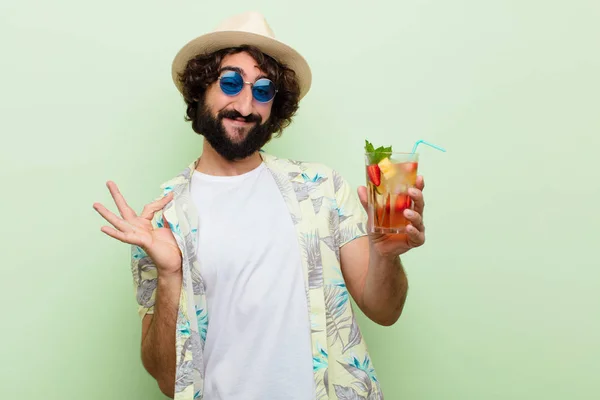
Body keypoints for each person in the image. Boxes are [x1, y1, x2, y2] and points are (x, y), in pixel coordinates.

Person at [93, 11, 427, 400]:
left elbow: (385, 311)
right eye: (231, 82)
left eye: (264, 90)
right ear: (201, 89)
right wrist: (170, 276)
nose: (247, 105)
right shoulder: (161, 221)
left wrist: (386, 255)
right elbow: (169, 382)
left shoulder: (320, 189)